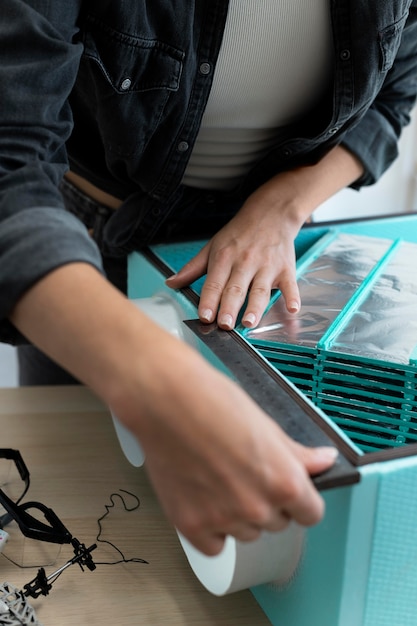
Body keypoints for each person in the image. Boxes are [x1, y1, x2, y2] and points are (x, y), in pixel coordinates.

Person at [1, 0, 416, 556]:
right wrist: (157, 382)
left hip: (276, 247)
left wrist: (282, 207)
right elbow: (10, 163)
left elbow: (394, 95)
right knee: (75, 502)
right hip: (78, 253)